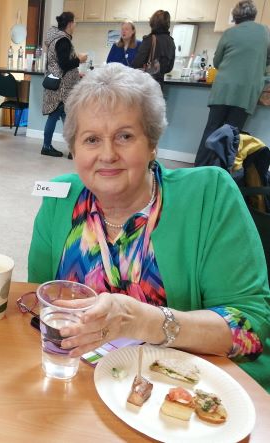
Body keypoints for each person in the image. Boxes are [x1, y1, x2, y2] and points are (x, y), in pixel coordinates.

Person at [28, 63, 270, 392]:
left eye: (125, 136)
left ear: (152, 143)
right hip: (81, 388)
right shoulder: (60, 199)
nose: (108, 154)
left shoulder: (209, 194)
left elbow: (251, 328)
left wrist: (147, 321)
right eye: (92, 139)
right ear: (74, 148)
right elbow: (39, 305)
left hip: (179, 394)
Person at [194, 0, 270, 166]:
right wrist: (261, 72)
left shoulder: (229, 33)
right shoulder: (265, 32)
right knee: (232, 135)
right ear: (254, 15)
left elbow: (217, 61)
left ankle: (199, 168)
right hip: (246, 92)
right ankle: (221, 172)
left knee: (211, 130)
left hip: (223, 89)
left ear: (235, 17)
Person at [41, 11, 87, 158]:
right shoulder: (63, 40)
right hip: (62, 89)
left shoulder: (56, 38)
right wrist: (80, 59)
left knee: (64, 118)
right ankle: (51, 147)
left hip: (58, 85)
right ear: (70, 24)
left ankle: (69, 149)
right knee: (63, 118)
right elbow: (64, 64)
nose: (75, 25)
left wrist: (75, 73)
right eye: (75, 22)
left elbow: (59, 63)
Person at [132, 10, 175, 87]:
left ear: (153, 23)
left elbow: (136, 64)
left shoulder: (149, 39)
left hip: (145, 85)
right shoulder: (171, 41)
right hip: (159, 85)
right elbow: (169, 68)